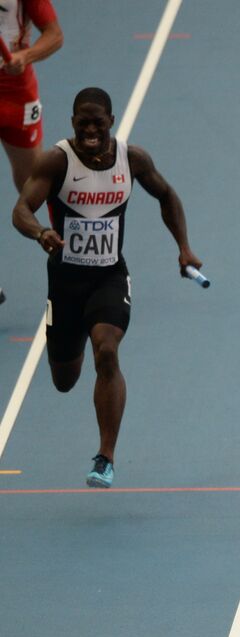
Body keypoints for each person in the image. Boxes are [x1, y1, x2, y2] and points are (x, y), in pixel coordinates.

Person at [11, 87, 200, 487]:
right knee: (64, 380)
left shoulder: (132, 159)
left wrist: (183, 247)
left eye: (99, 121)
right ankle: (72, 337)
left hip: (109, 276)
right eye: (84, 121)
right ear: (73, 121)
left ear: (111, 122)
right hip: (64, 283)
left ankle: (105, 457)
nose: (91, 129)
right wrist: (41, 232)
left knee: (108, 352)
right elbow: (20, 210)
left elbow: (166, 195)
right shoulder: (57, 161)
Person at [1, 0, 63, 306]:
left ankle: (68, 251)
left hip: (16, 94)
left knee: (33, 182)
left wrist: (25, 56)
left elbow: (54, 34)